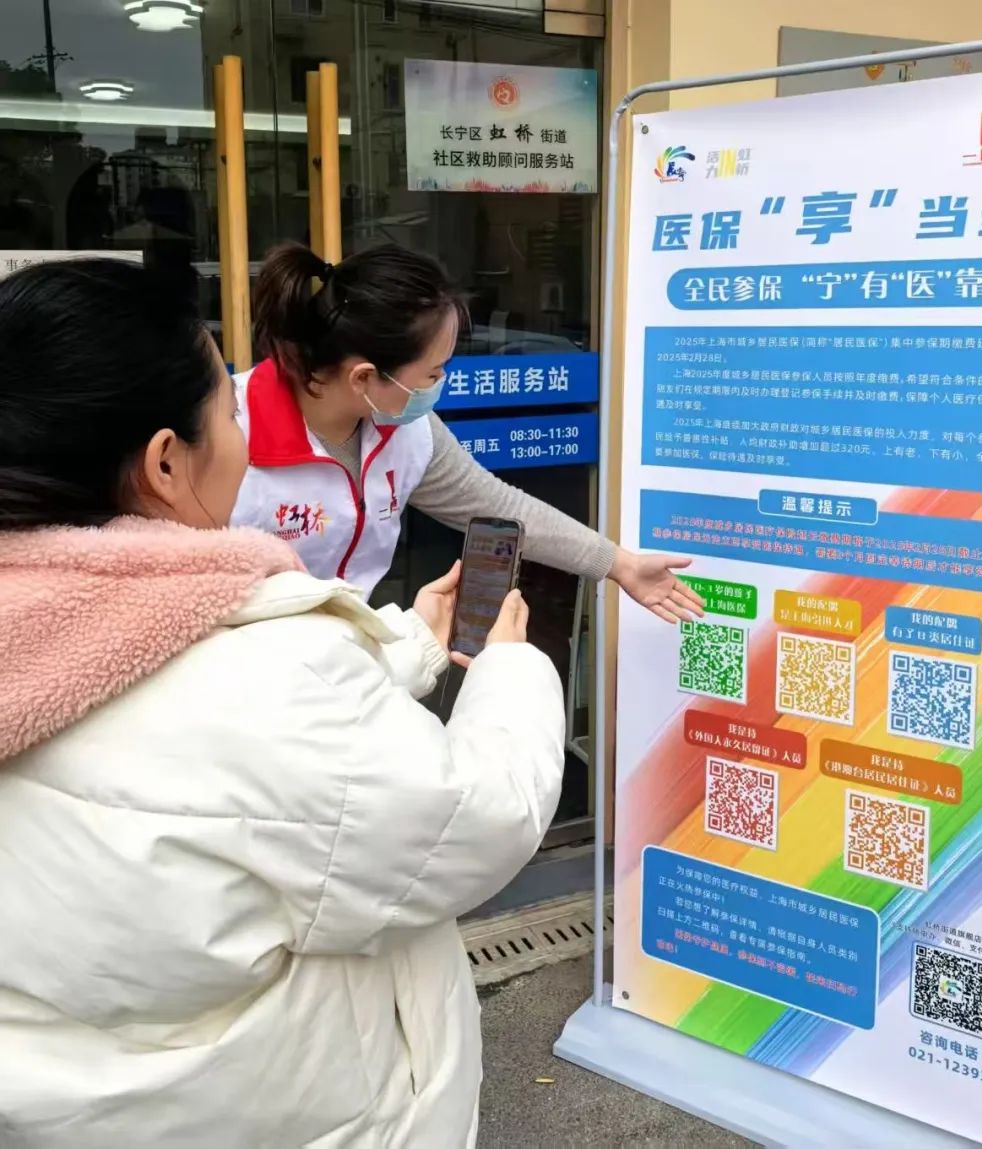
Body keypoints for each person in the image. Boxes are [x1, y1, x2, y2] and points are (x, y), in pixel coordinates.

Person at [0, 258, 566, 1147]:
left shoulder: (61, 636)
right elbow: (474, 815)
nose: (239, 429)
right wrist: (509, 670)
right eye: (223, 413)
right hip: (287, 1110)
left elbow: (270, 759)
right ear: (164, 461)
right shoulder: (264, 668)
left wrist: (410, 642)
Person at [232, 241, 704, 624]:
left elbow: (496, 504)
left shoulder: (406, 428)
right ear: (364, 378)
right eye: (432, 373)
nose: (440, 384)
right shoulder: (230, 433)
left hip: (346, 659)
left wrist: (619, 564)